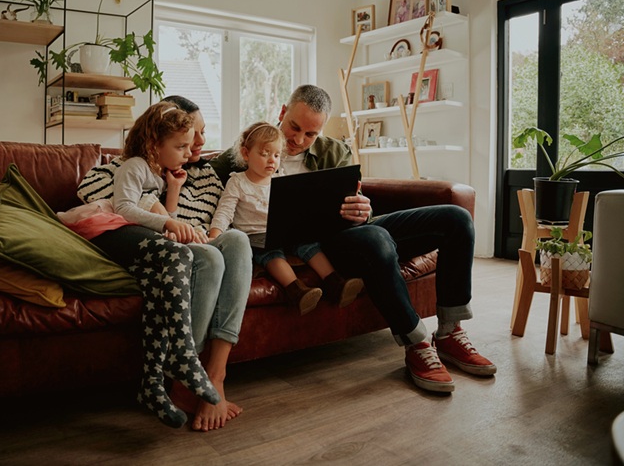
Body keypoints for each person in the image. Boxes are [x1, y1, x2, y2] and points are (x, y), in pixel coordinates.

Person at [210, 84, 496, 394]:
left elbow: (356, 200)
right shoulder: (250, 149)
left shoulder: (335, 151)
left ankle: (450, 333)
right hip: (322, 248)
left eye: (310, 135)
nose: (299, 140)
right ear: (282, 112)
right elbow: (199, 180)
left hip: (352, 230)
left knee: (457, 219)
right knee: (377, 240)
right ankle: (417, 343)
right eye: (295, 127)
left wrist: (363, 207)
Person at [78, 96, 251, 431]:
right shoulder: (132, 166)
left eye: (201, 135)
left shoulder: (206, 175)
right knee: (209, 257)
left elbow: (225, 217)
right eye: (190, 137)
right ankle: (186, 378)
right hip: (166, 243)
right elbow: (108, 199)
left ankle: (216, 375)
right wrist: (160, 208)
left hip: (198, 237)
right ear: (162, 140)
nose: (199, 143)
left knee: (238, 241)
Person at [208, 121, 363, 315]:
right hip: (255, 237)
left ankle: (335, 282)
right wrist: (215, 235)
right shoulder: (237, 181)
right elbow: (224, 211)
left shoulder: (279, 178)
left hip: (284, 229)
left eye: (276, 155)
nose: (272, 160)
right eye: (264, 154)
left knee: (308, 242)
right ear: (246, 154)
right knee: (271, 254)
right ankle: (296, 290)